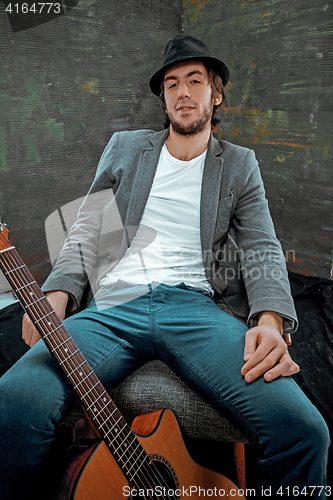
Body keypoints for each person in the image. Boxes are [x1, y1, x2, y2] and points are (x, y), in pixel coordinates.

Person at [0, 34, 329, 500]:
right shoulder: (126, 147)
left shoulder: (238, 164)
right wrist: (58, 292)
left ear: (215, 95)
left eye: (195, 80)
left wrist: (271, 320)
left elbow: (261, 246)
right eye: (172, 84)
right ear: (164, 99)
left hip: (195, 309)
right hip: (115, 306)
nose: (182, 92)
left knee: (304, 432)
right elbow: (88, 230)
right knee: (14, 400)